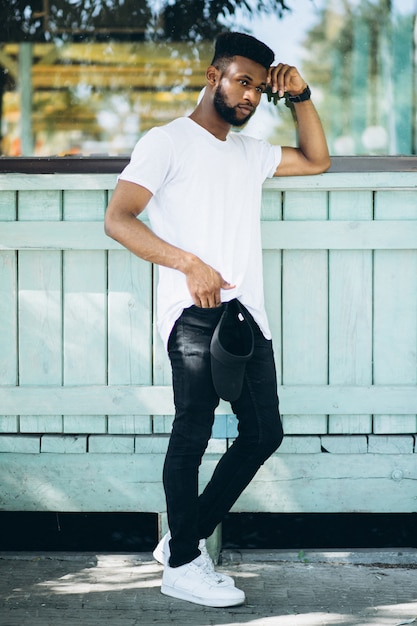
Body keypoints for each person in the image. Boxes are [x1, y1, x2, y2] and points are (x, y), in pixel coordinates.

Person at [105, 31, 330, 608]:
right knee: (193, 432)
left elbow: (316, 160)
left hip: (247, 312)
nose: (250, 95)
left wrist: (300, 95)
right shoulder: (168, 142)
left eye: (259, 86)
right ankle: (182, 565)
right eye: (242, 81)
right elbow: (119, 219)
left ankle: (184, 538)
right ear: (213, 77)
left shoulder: (249, 154)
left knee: (263, 432)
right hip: (194, 312)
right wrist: (188, 264)